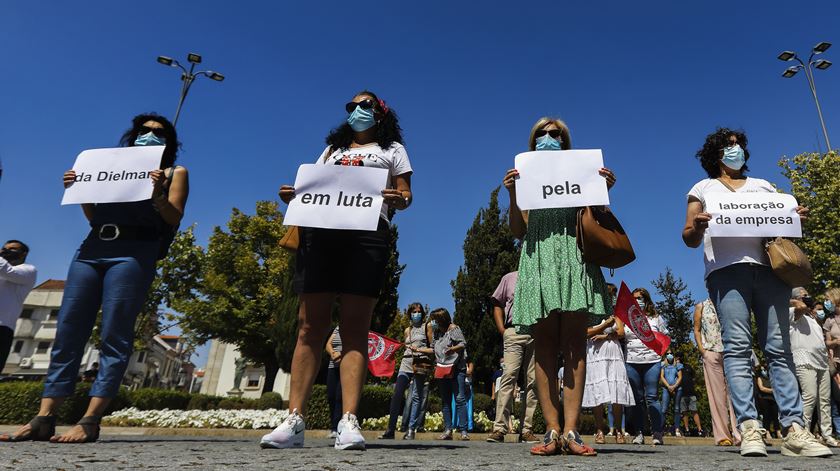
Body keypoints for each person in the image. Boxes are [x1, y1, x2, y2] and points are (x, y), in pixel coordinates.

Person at [0, 114, 188, 444]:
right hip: (93, 247)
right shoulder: (112, 167)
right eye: (143, 131)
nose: (149, 136)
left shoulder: (175, 173)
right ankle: (44, 417)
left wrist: (157, 192)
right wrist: (80, 189)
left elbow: (173, 216)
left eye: (158, 133)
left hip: (135, 251)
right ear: (133, 135)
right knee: (69, 329)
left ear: (169, 142)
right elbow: (94, 216)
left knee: (115, 331)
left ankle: (90, 419)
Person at [261, 91, 413, 451]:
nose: (358, 110)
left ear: (381, 114)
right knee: (309, 326)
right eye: (352, 106)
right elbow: (314, 186)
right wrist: (295, 195)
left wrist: (398, 198)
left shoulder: (393, 149)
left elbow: (406, 195)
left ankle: (348, 420)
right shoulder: (331, 151)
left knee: (355, 329)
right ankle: (294, 419)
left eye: (366, 105)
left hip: (367, 235)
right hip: (321, 234)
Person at [682, 127, 830, 458]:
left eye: (739, 146)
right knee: (737, 347)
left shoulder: (763, 186)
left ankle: (794, 428)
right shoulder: (702, 188)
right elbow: (689, 236)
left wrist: (795, 219)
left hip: (770, 272)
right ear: (716, 154)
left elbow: (780, 225)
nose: (736, 150)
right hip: (726, 272)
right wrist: (700, 226)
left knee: (778, 349)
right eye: (729, 146)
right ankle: (749, 427)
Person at [503, 117, 615, 457]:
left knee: (575, 347)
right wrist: (511, 193)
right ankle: (551, 430)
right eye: (542, 134)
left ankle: (571, 430)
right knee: (545, 346)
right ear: (533, 139)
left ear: (565, 141)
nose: (549, 137)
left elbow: (599, 216)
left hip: (575, 257)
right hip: (538, 258)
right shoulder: (526, 175)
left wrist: (605, 187)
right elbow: (517, 230)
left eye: (556, 134)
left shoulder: (580, 171)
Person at [486, 271, 539, 444]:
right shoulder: (509, 278)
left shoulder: (542, 275)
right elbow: (497, 303)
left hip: (536, 331)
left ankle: (527, 429)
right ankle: (499, 428)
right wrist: (503, 330)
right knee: (508, 377)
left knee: (533, 380)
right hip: (513, 330)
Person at [789, 287, 837, 446]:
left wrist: (815, 312)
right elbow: (799, 307)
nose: (808, 297)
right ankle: (804, 431)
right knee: (809, 396)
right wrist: (799, 301)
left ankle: (827, 434)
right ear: (796, 298)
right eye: (804, 296)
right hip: (805, 359)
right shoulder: (792, 311)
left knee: (824, 400)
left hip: (821, 361)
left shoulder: (812, 316)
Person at [693, 299, 741, 446]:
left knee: (737, 393)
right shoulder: (701, 306)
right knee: (717, 397)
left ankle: (741, 433)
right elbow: (697, 329)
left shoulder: (730, 303)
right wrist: (703, 350)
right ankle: (723, 436)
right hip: (711, 352)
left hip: (731, 352)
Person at [583, 311, 634, 445]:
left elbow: (621, 333)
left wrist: (604, 336)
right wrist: (605, 325)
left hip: (613, 355)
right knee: (597, 391)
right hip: (595, 355)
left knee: (616, 392)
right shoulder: (590, 315)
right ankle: (600, 429)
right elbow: (586, 333)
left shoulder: (616, 316)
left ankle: (618, 430)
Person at [624, 288, 668, 446]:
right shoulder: (627, 318)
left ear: (647, 299)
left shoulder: (656, 318)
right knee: (637, 398)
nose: (638, 301)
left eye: (641, 298)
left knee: (652, 397)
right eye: (635, 298)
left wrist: (661, 354)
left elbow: (665, 337)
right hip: (631, 361)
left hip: (652, 361)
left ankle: (657, 432)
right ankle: (639, 433)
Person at [379, 303, 426, 439]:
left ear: (422, 314)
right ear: (410, 314)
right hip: (405, 363)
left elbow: (431, 347)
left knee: (416, 397)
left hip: (420, 363)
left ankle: (411, 430)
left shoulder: (426, 327)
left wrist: (421, 350)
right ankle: (390, 430)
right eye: (413, 311)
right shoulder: (407, 330)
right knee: (397, 394)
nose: (416, 314)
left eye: (418, 311)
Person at [428, 308, 469, 441]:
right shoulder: (437, 332)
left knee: (459, 398)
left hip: (457, 368)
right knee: (445, 400)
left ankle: (463, 431)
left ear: (442, 318)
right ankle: (448, 429)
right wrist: (417, 349)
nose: (433, 322)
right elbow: (432, 347)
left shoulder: (454, 329)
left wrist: (452, 349)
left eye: (435, 319)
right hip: (442, 368)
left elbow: (463, 344)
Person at [0, 240, 37, 374]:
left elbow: (6, 270)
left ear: (23, 254)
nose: (5, 251)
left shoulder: (27, 270)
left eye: (12, 249)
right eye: (4, 248)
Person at [822, 289, 840, 438]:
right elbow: (827, 342)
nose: (826, 303)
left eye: (828, 299)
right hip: (836, 364)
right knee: (835, 398)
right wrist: (834, 342)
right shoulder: (829, 321)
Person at [675, 355, 705, 437]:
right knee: (684, 412)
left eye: (678, 358)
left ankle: (700, 430)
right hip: (681, 393)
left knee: (694, 411)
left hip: (691, 393)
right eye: (676, 358)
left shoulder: (688, 367)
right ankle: (687, 429)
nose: (677, 359)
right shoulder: (674, 368)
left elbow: (694, 377)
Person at [754, 362, 781, 439]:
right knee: (766, 416)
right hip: (764, 398)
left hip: (773, 398)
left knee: (775, 415)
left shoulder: (771, 377)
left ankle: (778, 432)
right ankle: (767, 432)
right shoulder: (760, 377)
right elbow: (761, 388)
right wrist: (772, 390)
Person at [325, 326, 343, 438]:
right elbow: (328, 344)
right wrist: (332, 353)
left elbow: (356, 345)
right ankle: (333, 426)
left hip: (345, 366)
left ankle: (337, 427)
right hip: (332, 366)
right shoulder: (337, 328)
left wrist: (340, 353)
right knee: (331, 395)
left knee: (339, 396)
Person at [659, 349, 683, 435]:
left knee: (677, 409)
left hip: (677, 389)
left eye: (671, 353)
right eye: (667, 354)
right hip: (666, 388)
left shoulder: (678, 365)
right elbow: (662, 376)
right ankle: (660, 430)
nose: (669, 355)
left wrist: (674, 386)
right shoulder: (663, 365)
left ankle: (677, 429)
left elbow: (680, 377)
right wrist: (668, 386)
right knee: (663, 409)